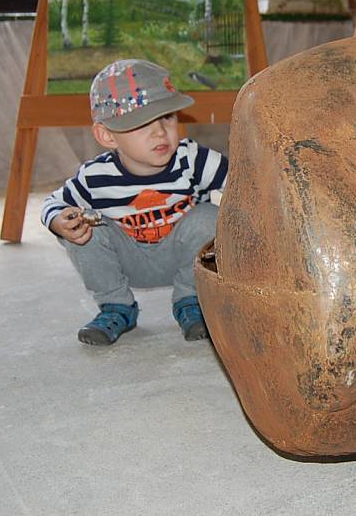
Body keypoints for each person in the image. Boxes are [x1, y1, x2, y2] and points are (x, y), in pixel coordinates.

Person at [41, 59, 227, 346]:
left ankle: (191, 299)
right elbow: (52, 203)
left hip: (186, 257)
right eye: (142, 124)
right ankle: (117, 306)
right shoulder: (96, 176)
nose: (160, 132)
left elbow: (243, 184)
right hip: (127, 258)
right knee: (84, 228)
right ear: (107, 136)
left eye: (167, 117)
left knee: (211, 216)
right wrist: (59, 220)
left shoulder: (194, 160)